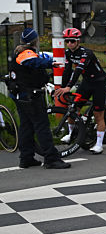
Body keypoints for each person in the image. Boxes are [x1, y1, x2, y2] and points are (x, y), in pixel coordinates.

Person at [9, 28, 69, 169]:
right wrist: (49, 64)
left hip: (21, 96)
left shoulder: (18, 52)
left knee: (26, 127)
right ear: (34, 40)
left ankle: (26, 157)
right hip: (30, 96)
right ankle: (51, 159)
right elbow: (33, 62)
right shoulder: (26, 53)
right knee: (42, 127)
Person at [54, 27, 106, 154]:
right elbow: (67, 70)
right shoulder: (68, 53)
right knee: (72, 108)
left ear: (78, 41)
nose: (70, 44)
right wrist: (63, 87)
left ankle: (99, 144)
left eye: (72, 41)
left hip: (99, 83)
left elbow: (78, 70)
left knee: (98, 114)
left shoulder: (86, 53)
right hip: (87, 82)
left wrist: (69, 86)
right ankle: (72, 134)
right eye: (67, 41)